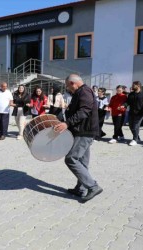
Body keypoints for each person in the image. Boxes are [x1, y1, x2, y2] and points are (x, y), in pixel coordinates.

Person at [54, 74, 102, 202]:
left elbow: (83, 111)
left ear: (72, 83)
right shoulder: (81, 91)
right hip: (83, 131)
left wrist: (67, 123)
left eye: (68, 86)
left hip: (84, 131)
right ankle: (81, 188)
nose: (68, 89)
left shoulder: (84, 91)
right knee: (82, 161)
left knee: (71, 159)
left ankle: (93, 186)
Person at [122, 81, 143, 146]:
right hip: (131, 112)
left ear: (138, 85)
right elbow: (127, 102)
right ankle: (137, 137)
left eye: (133, 85)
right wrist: (124, 105)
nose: (132, 86)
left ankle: (134, 140)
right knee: (131, 126)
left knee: (135, 126)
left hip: (140, 113)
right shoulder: (131, 94)